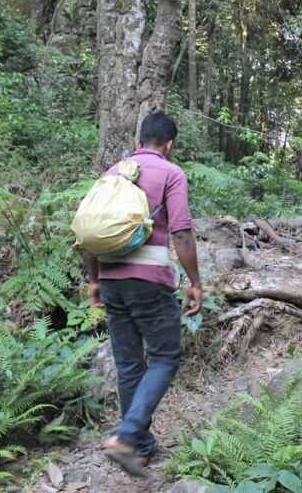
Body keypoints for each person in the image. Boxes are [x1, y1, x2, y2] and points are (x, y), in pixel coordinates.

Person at [81, 112, 202, 476]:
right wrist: (195, 281)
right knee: (165, 358)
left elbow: (87, 231)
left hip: (113, 281)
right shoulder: (171, 173)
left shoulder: (112, 173)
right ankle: (127, 434)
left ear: (140, 139)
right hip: (149, 281)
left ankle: (140, 446)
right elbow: (180, 232)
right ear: (168, 143)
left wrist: (95, 278)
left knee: (130, 364)